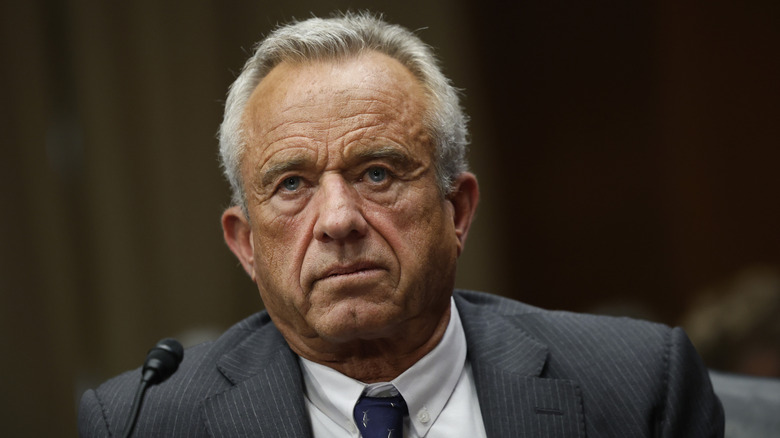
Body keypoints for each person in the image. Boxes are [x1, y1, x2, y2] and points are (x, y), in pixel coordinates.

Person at [78, 12, 724, 437]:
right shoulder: (144, 421)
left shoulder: (639, 386)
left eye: (379, 173)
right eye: (293, 184)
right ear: (246, 245)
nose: (337, 220)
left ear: (458, 210)